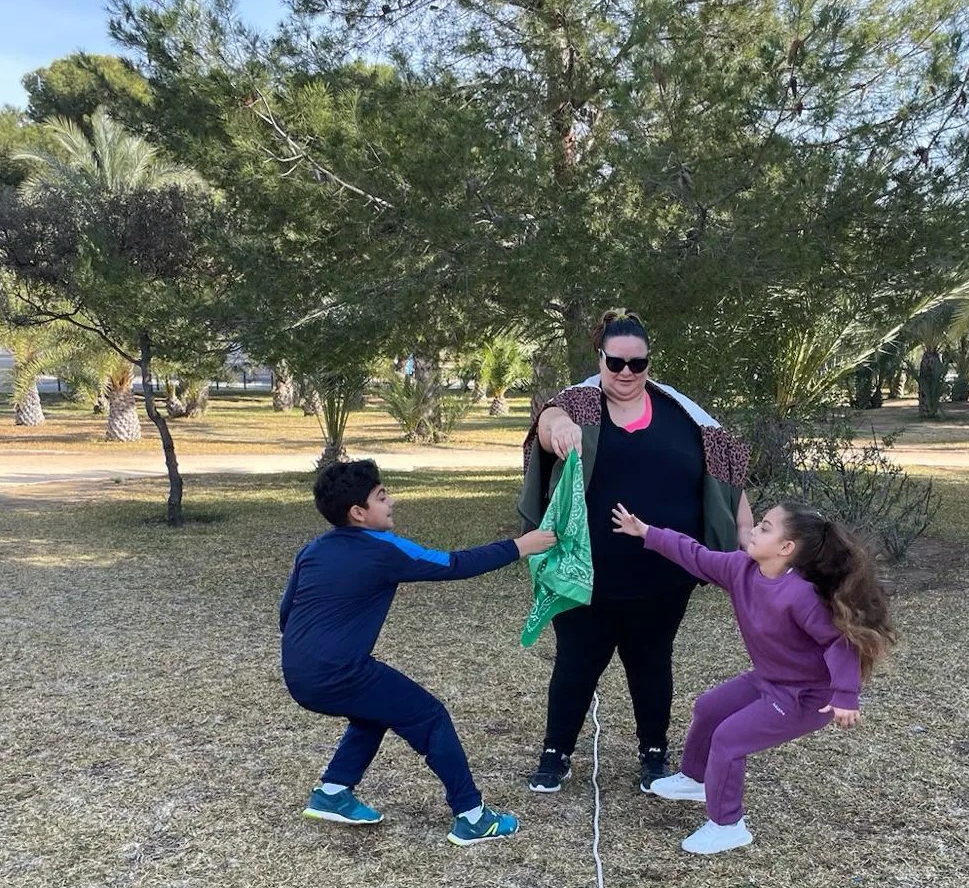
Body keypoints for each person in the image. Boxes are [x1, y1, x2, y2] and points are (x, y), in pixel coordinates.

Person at [518, 307, 753, 793]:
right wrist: (557, 426)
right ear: (599, 357)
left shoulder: (683, 415)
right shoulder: (578, 406)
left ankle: (654, 754)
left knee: (652, 661)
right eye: (615, 362)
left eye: (637, 364)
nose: (625, 373)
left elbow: (727, 478)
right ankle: (555, 753)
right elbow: (550, 421)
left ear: (649, 362)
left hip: (663, 575)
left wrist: (744, 537)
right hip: (587, 572)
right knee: (577, 662)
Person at [280, 459, 556, 846]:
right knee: (430, 716)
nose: (390, 501)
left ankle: (332, 792)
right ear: (358, 513)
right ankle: (472, 816)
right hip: (340, 672)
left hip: (298, 672)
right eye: (381, 497)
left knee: (374, 711)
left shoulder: (312, 550)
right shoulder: (383, 550)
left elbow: (286, 613)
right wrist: (520, 546)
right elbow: (453, 564)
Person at [611, 499, 896, 854]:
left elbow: (839, 644)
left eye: (764, 527)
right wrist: (647, 532)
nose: (753, 530)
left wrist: (845, 695)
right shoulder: (741, 568)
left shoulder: (801, 595)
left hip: (805, 698)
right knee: (710, 709)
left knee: (730, 739)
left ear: (785, 548)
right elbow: (696, 556)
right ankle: (697, 779)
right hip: (768, 679)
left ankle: (728, 825)